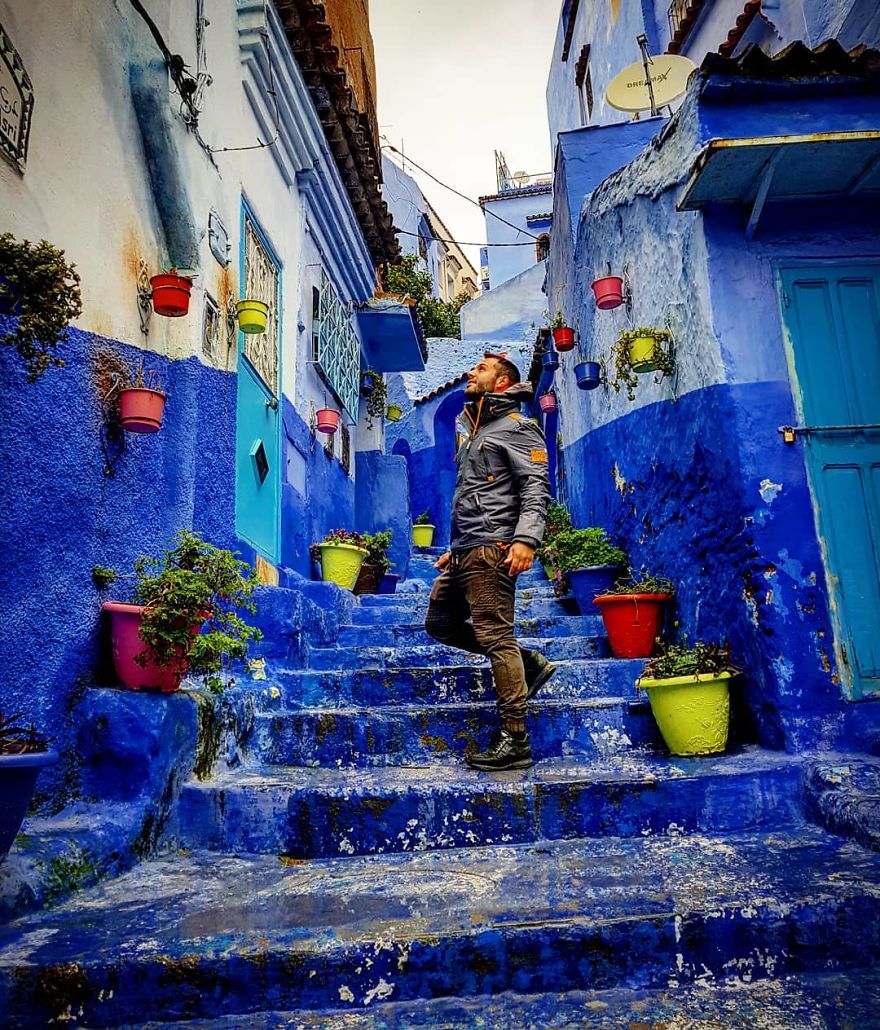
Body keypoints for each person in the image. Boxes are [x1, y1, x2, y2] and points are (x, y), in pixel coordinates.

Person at [424, 352, 555, 771]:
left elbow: (536, 487)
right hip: (466, 551)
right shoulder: (477, 431)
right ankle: (528, 662)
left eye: (480, 369)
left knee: (496, 636)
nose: (469, 372)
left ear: (502, 383)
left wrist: (526, 539)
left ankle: (515, 740)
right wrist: (455, 547)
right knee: (440, 623)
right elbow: (478, 498)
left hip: (494, 551)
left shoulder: (518, 428)